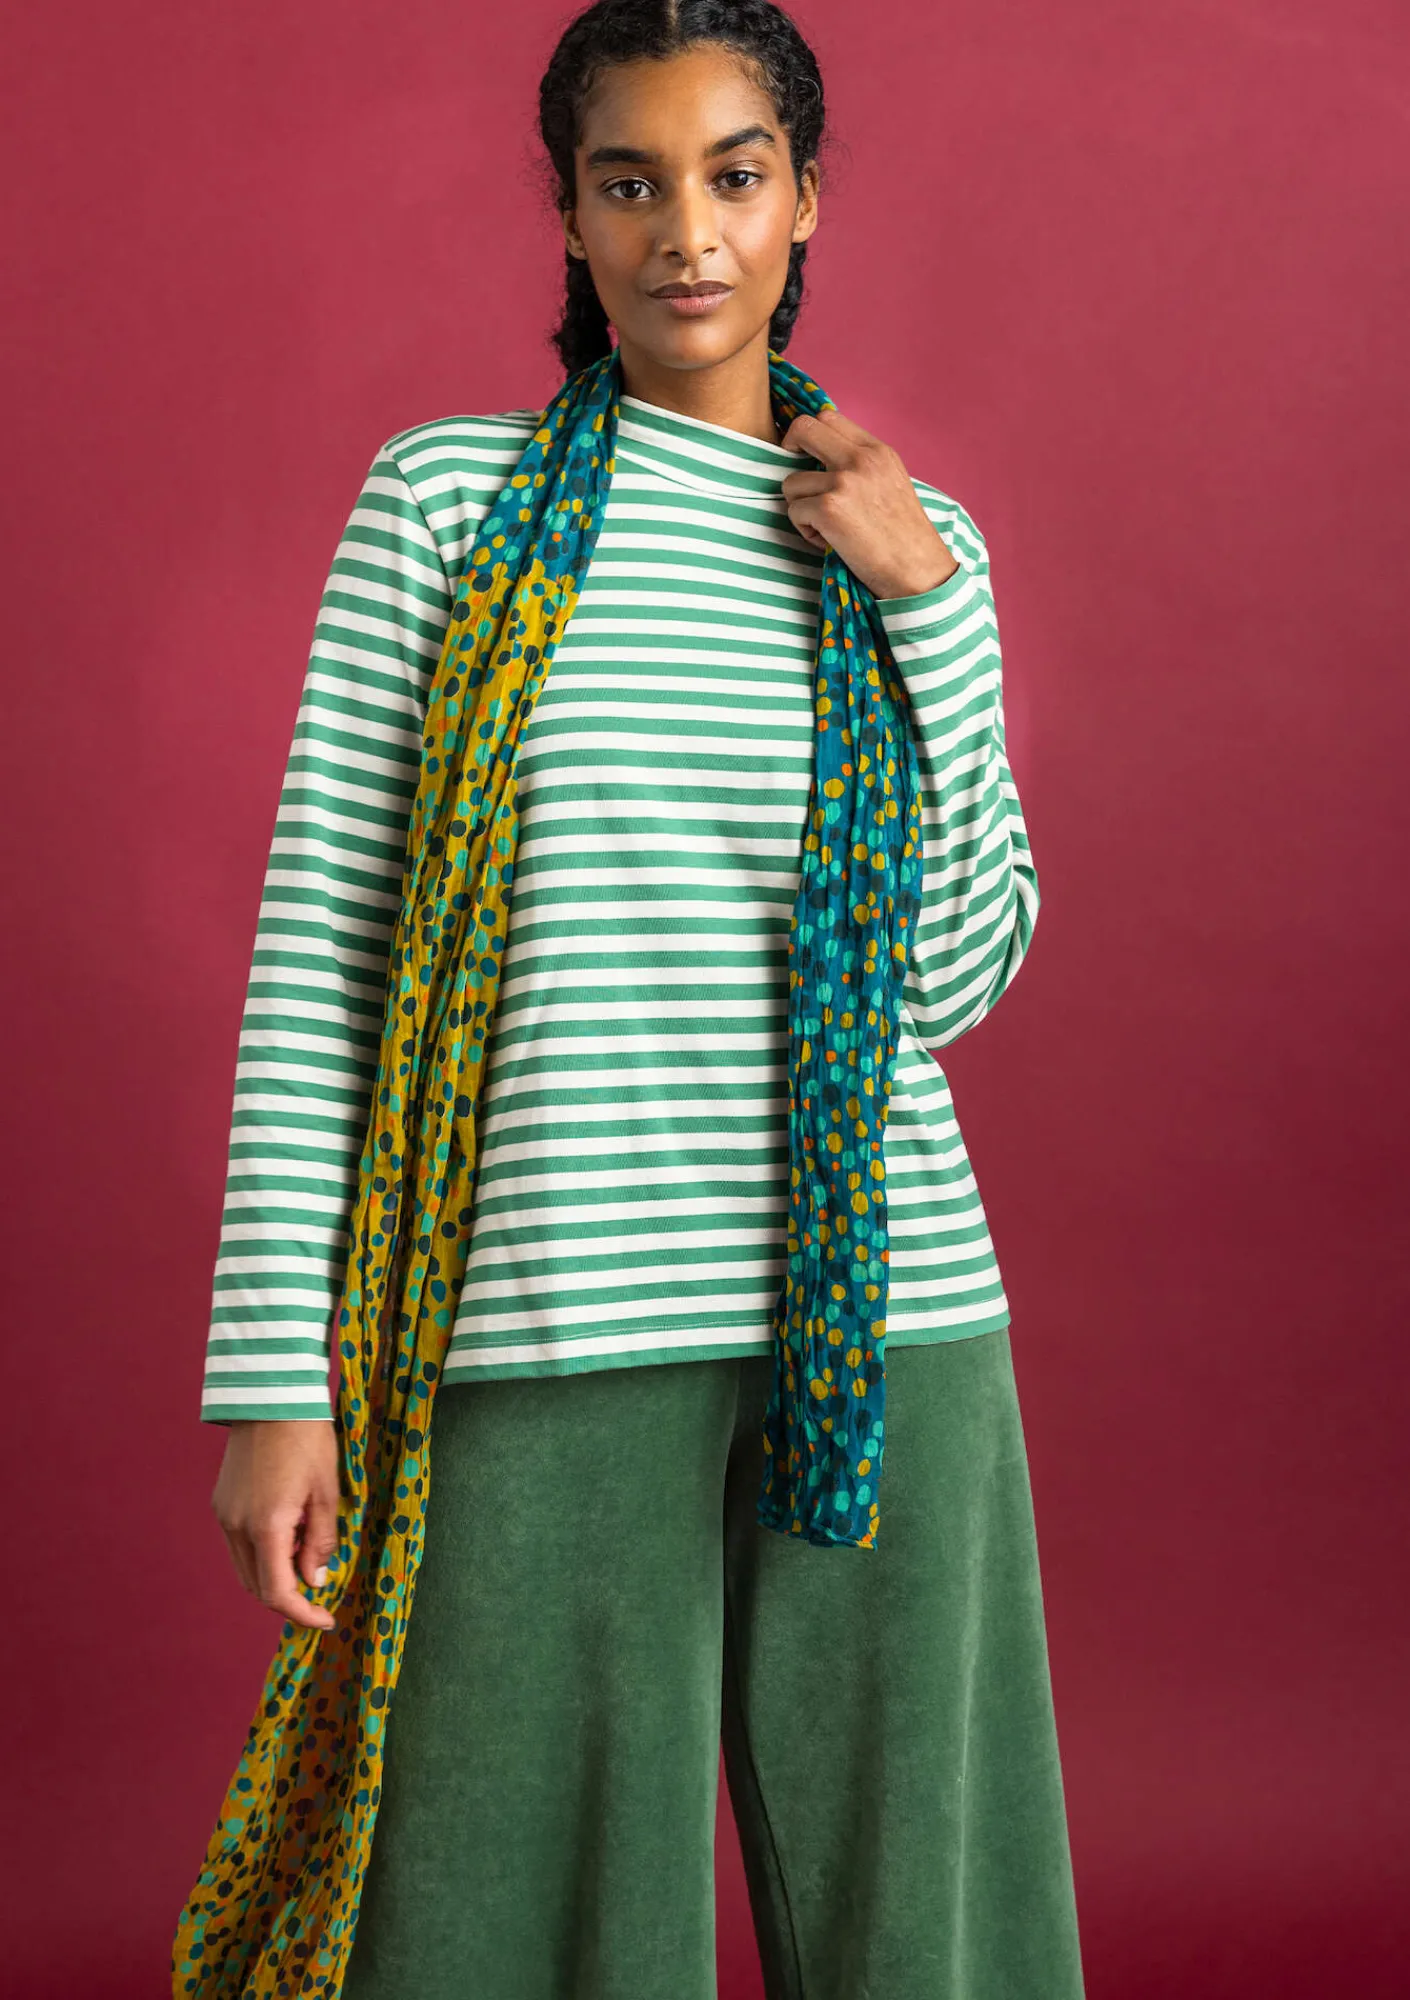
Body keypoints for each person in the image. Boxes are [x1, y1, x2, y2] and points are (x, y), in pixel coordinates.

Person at [177, 3, 1086, 1996]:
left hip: (889, 1324)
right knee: (506, 1924)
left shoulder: (913, 547)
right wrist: (271, 1377)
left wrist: (930, 610)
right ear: (572, 217)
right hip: (550, 1313)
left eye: (735, 175)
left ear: (804, 200)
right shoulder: (448, 509)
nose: (688, 230)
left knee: (937, 1927)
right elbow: (324, 954)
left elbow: (950, 978)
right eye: (630, 181)